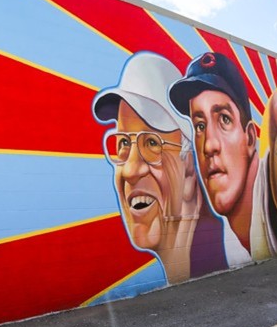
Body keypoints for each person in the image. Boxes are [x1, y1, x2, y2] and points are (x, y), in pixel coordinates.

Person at [169, 52, 277, 261]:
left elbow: (273, 196)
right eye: (200, 125)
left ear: (251, 138)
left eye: (224, 119)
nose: (209, 145)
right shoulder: (229, 245)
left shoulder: (270, 189)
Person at [94, 52, 231, 283]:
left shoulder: (225, 252)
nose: (130, 171)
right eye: (123, 143)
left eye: (152, 144)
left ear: (188, 166)